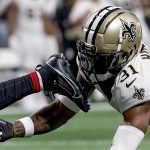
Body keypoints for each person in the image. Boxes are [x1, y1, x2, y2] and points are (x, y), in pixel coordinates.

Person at [0, 6, 149, 150]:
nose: (89, 63)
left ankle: (43, 77)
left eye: (99, 58)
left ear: (125, 54)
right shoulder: (98, 57)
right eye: (88, 52)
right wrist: (14, 129)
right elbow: (59, 112)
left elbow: (122, 146)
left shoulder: (140, 84)